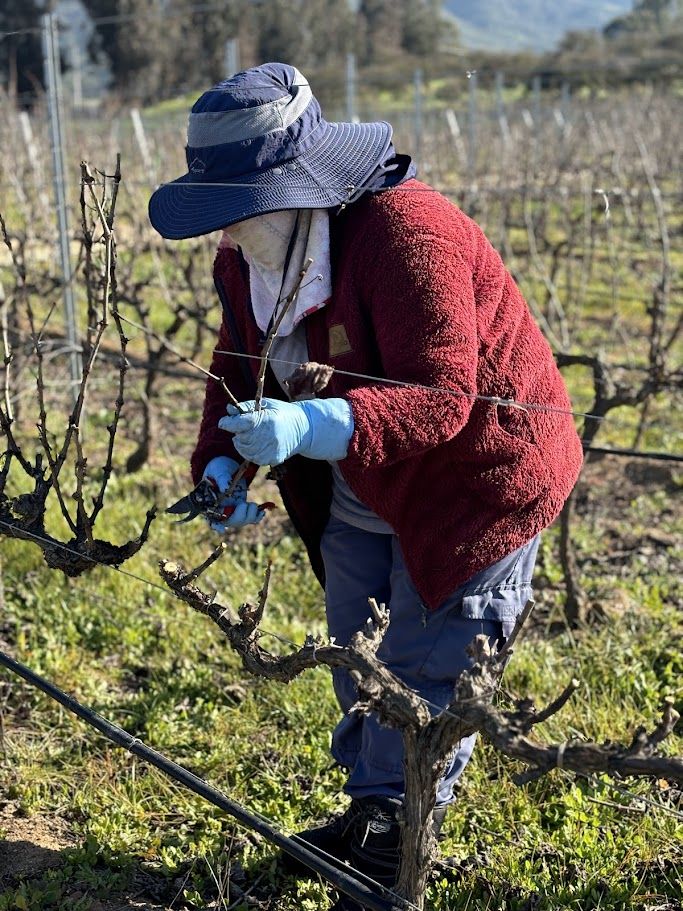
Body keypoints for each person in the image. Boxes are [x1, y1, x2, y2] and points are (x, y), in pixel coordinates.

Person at [149, 62, 583, 909]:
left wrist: (308, 425)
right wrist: (221, 461)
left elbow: (444, 396)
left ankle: (397, 837)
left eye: (237, 207)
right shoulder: (244, 260)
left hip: (473, 479)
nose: (225, 230)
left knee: (427, 661)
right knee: (361, 648)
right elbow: (235, 363)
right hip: (361, 477)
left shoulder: (406, 234)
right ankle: (371, 810)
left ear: (297, 185)